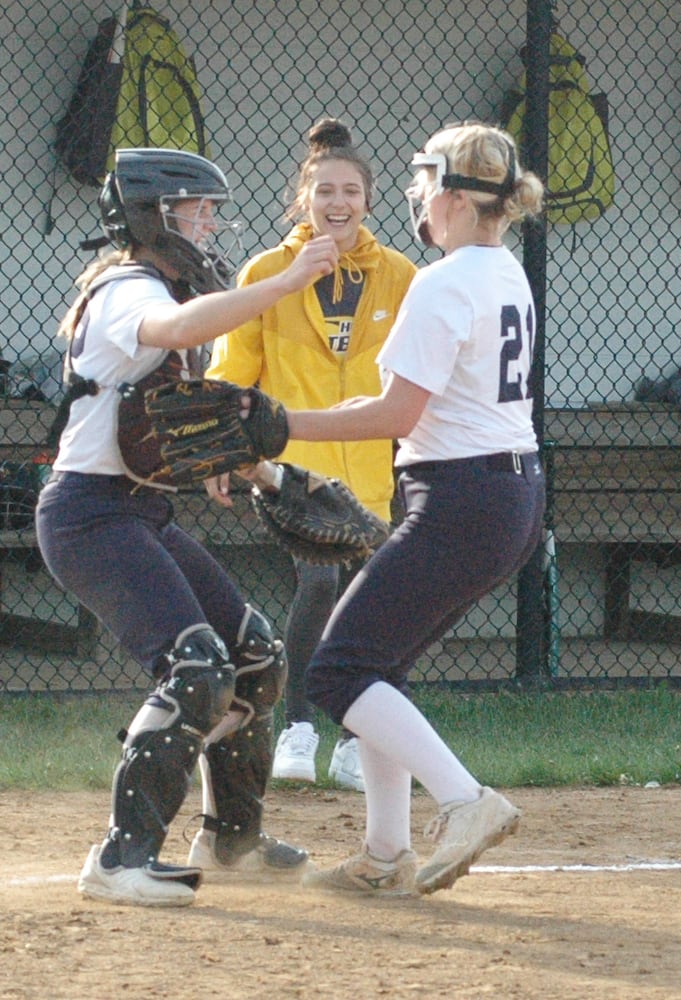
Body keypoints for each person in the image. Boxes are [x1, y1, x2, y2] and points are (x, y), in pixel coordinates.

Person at [226, 122, 544, 896]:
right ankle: (382, 854)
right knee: (378, 670)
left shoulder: (441, 281)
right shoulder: (503, 269)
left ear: (461, 198)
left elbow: (395, 412)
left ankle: (466, 801)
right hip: (507, 493)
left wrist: (283, 426)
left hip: (463, 496)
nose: (419, 203)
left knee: (338, 672)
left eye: (429, 187)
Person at [42, 148, 338, 907]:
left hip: (138, 510)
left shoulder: (165, 283)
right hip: (87, 514)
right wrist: (281, 283)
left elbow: (172, 416)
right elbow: (171, 330)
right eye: (194, 209)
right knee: (198, 666)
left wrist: (262, 474)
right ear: (151, 215)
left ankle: (230, 836)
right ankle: (120, 858)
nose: (209, 223)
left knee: (256, 657)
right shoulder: (125, 289)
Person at [209, 118, 417, 792]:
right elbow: (233, 368)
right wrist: (219, 449)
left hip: (373, 471)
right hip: (293, 469)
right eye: (324, 189)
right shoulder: (267, 273)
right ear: (302, 199)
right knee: (319, 581)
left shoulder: (399, 277)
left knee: (379, 601)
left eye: (350, 191)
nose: (337, 202)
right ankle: (299, 725)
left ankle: (359, 740)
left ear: (367, 201)